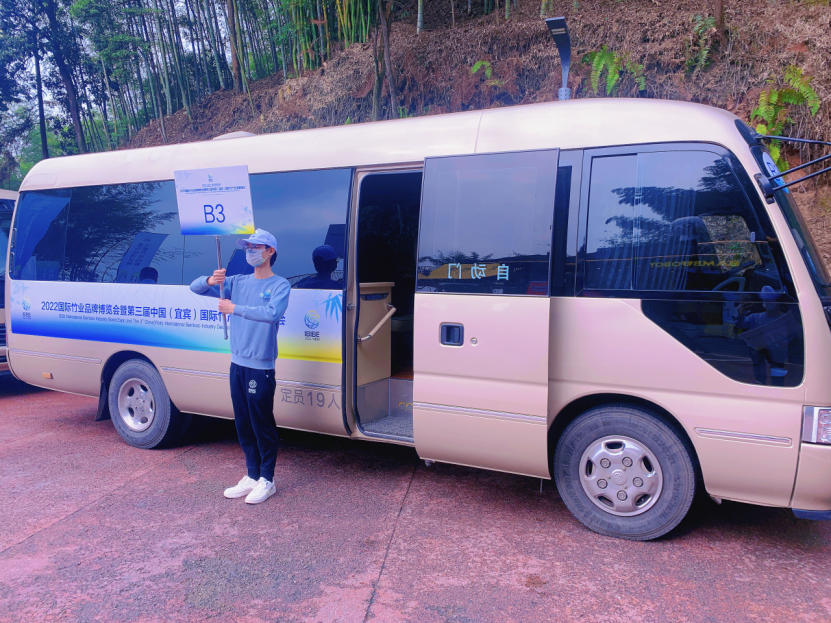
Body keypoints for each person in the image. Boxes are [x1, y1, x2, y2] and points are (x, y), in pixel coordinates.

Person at [190, 228, 290, 504]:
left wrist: (234, 309)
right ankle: (252, 474)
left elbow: (272, 313)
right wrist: (211, 279)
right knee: (243, 421)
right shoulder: (237, 282)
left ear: (270, 251)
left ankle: (267, 479)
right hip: (237, 363)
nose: (250, 251)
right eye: (247, 247)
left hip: (260, 365)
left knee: (261, 422)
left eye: (255, 247)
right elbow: (196, 288)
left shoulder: (280, 285)